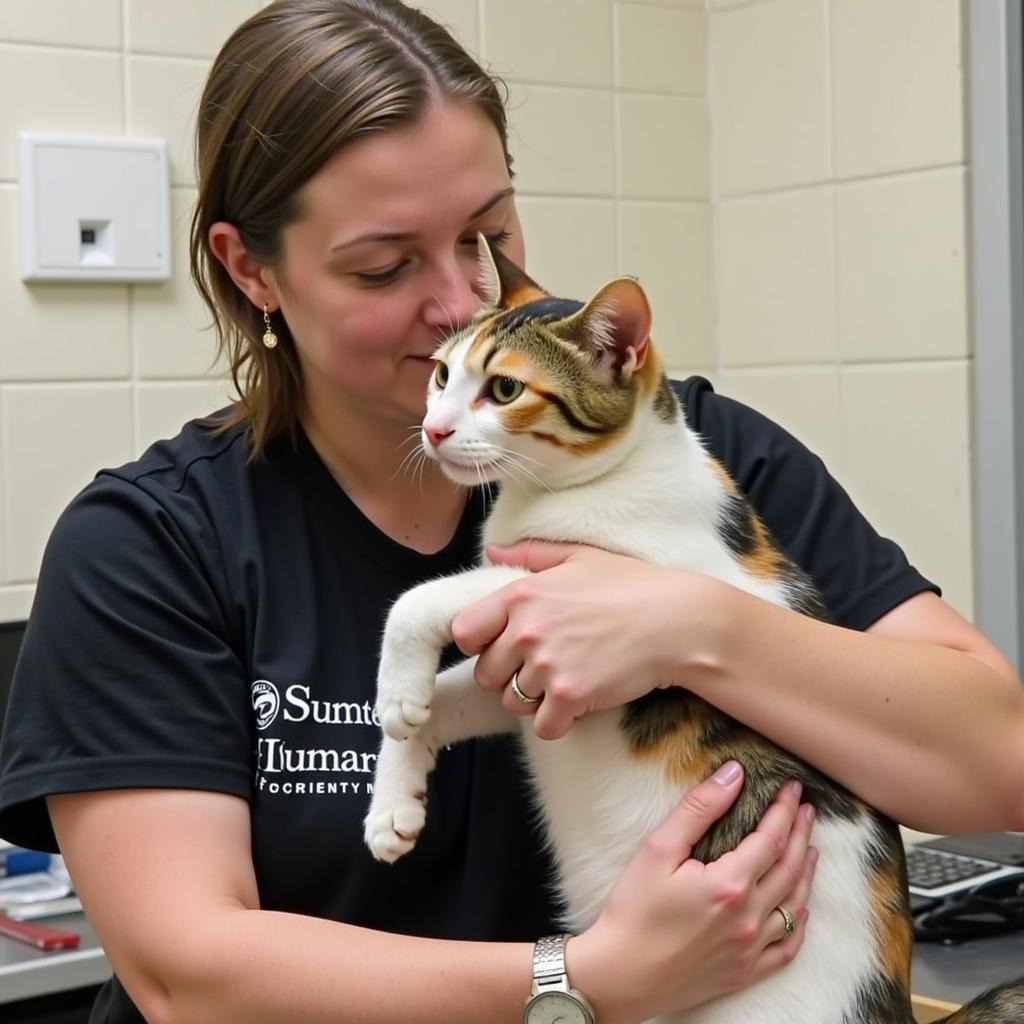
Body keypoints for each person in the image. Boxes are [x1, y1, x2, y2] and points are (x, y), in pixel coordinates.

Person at [0, 1, 1020, 1021]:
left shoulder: (697, 456)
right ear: (250, 267)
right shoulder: (152, 545)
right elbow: (189, 979)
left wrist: (695, 627)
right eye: (385, 264)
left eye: (487, 233)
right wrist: (583, 981)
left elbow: (999, 764)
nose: (459, 301)